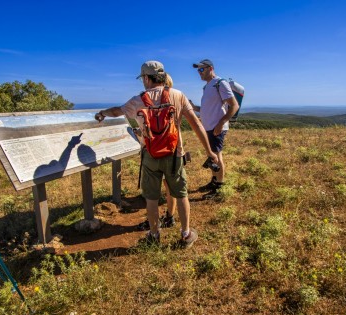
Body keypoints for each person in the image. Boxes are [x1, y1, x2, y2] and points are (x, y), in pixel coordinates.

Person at [95, 61, 218, 247]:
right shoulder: (177, 95)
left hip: (150, 156)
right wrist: (210, 151)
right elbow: (196, 124)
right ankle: (185, 234)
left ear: (146, 78)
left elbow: (117, 111)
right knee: (181, 194)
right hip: (175, 155)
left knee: (151, 198)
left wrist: (103, 113)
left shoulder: (137, 100)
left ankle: (154, 235)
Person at [190, 59, 239, 199]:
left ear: (210, 68)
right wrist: (194, 108)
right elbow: (206, 109)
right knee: (213, 156)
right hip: (209, 127)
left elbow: (234, 105)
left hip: (217, 127)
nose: (199, 73)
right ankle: (214, 181)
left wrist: (221, 123)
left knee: (217, 157)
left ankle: (219, 188)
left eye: (201, 69)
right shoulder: (207, 87)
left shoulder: (220, 83)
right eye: (198, 70)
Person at [137, 73, 176, 231]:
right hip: (172, 148)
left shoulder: (148, 99)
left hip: (153, 151)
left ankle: (153, 225)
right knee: (169, 186)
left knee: (152, 193)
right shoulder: (174, 97)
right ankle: (170, 217)